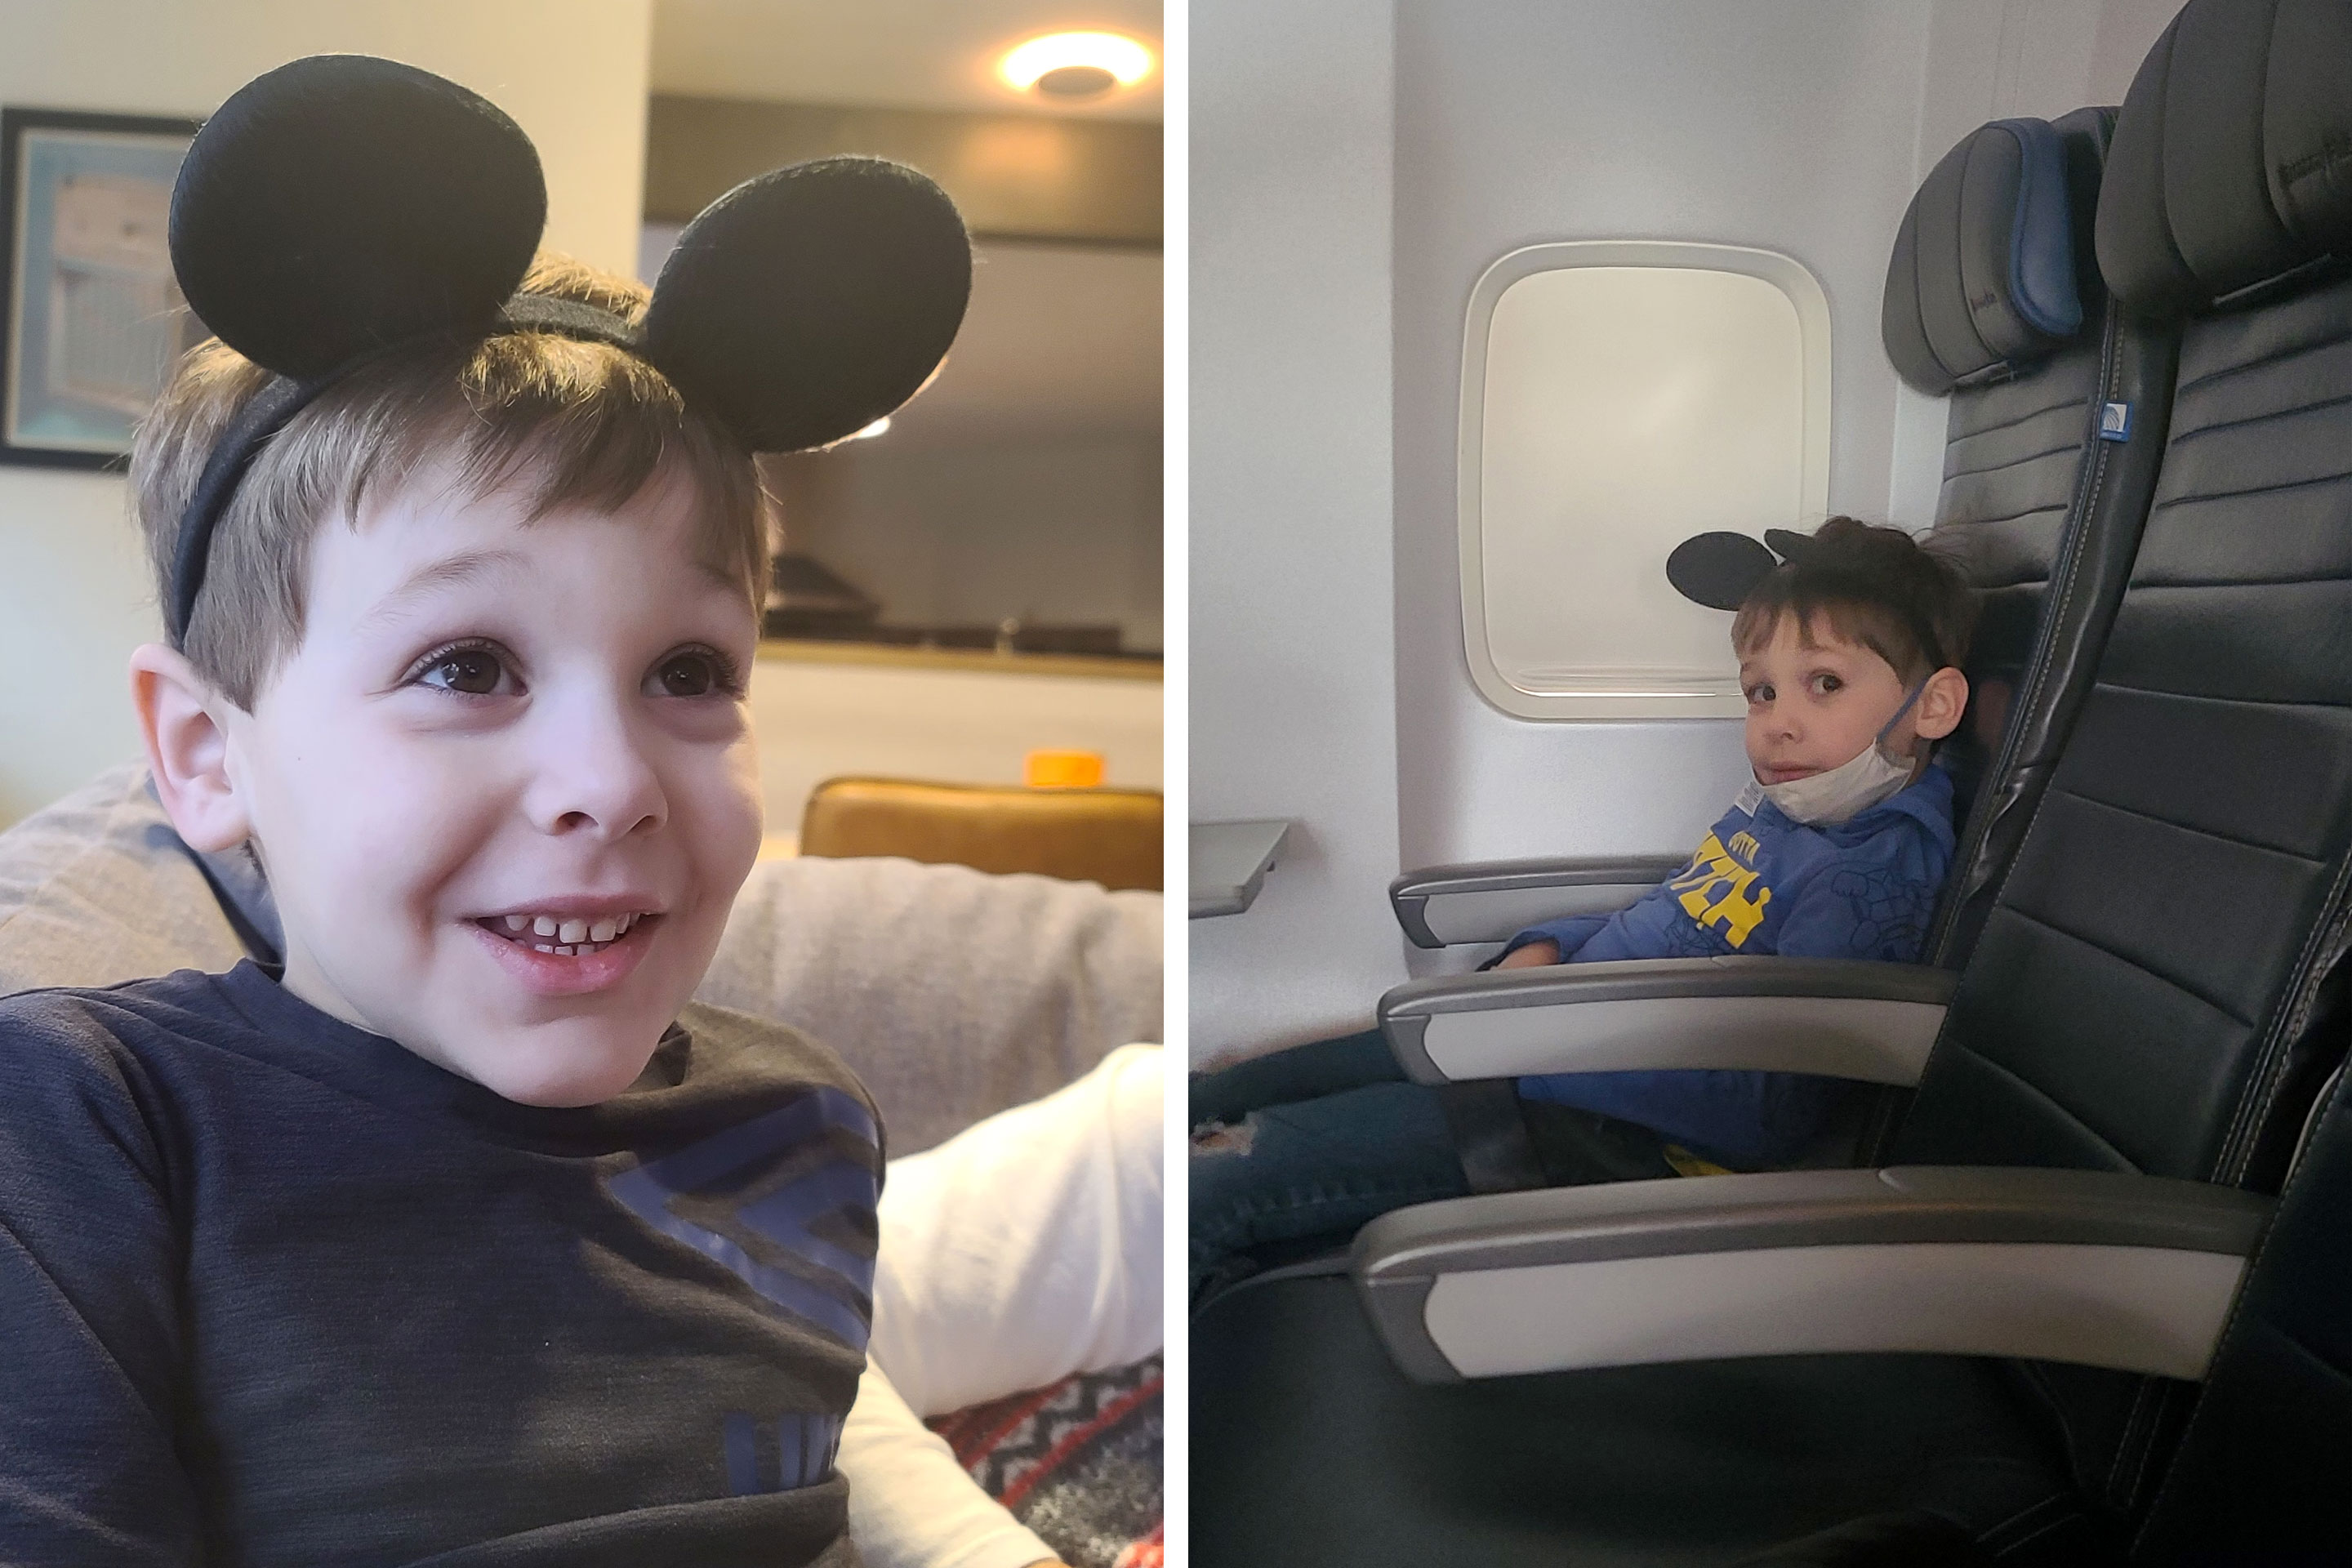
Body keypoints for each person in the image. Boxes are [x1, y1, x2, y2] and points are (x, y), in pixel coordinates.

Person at [0, 56, 1142, 1568]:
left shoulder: (801, 1126)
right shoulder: (88, 1129)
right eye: (466, 665)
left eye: (688, 670)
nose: (610, 784)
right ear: (208, 754)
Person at [1192, 516, 1977, 1300]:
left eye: (1826, 685)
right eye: (1761, 692)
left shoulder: (1868, 880)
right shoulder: (1790, 808)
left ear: (1932, 706)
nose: (1779, 722)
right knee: (1214, 1093)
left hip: (1603, 1128)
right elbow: (1675, 912)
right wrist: (1549, 947)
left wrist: (1549, 1044)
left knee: (1207, 1188)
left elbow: (1769, 1109)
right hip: (1539, 1042)